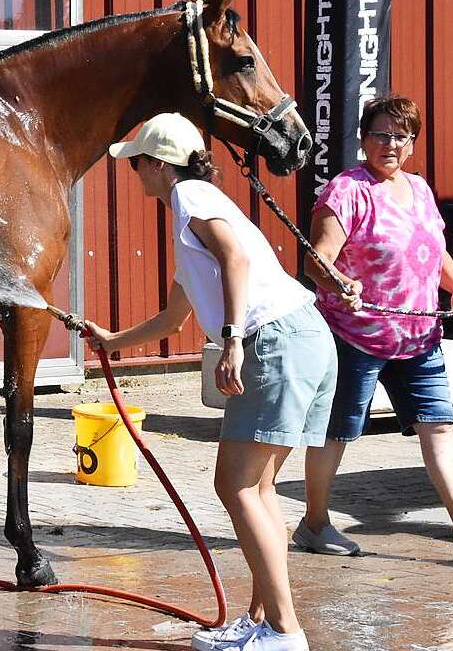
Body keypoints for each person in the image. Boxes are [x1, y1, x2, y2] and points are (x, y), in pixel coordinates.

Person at [85, 112, 335, 651]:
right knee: (260, 489)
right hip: (305, 336)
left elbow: (236, 258)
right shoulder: (194, 215)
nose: (135, 175)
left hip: (274, 340)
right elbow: (173, 319)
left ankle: (286, 632)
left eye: (137, 165)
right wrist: (111, 341)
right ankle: (262, 621)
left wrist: (234, 338)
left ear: (157, 164)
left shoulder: (192, 197)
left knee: (236, 486)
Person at [294, 93, 453, 563]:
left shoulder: (418, 189)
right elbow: (316, 259)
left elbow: (434, 250)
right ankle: (315, 524)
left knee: (438, 427)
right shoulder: (346, 190)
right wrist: (337, 281)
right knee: (337, 432)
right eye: (380, 134)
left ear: (413, 144)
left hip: (418, 338)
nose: (390, 144)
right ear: (363, 139)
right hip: (355, 335)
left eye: (401, 136)